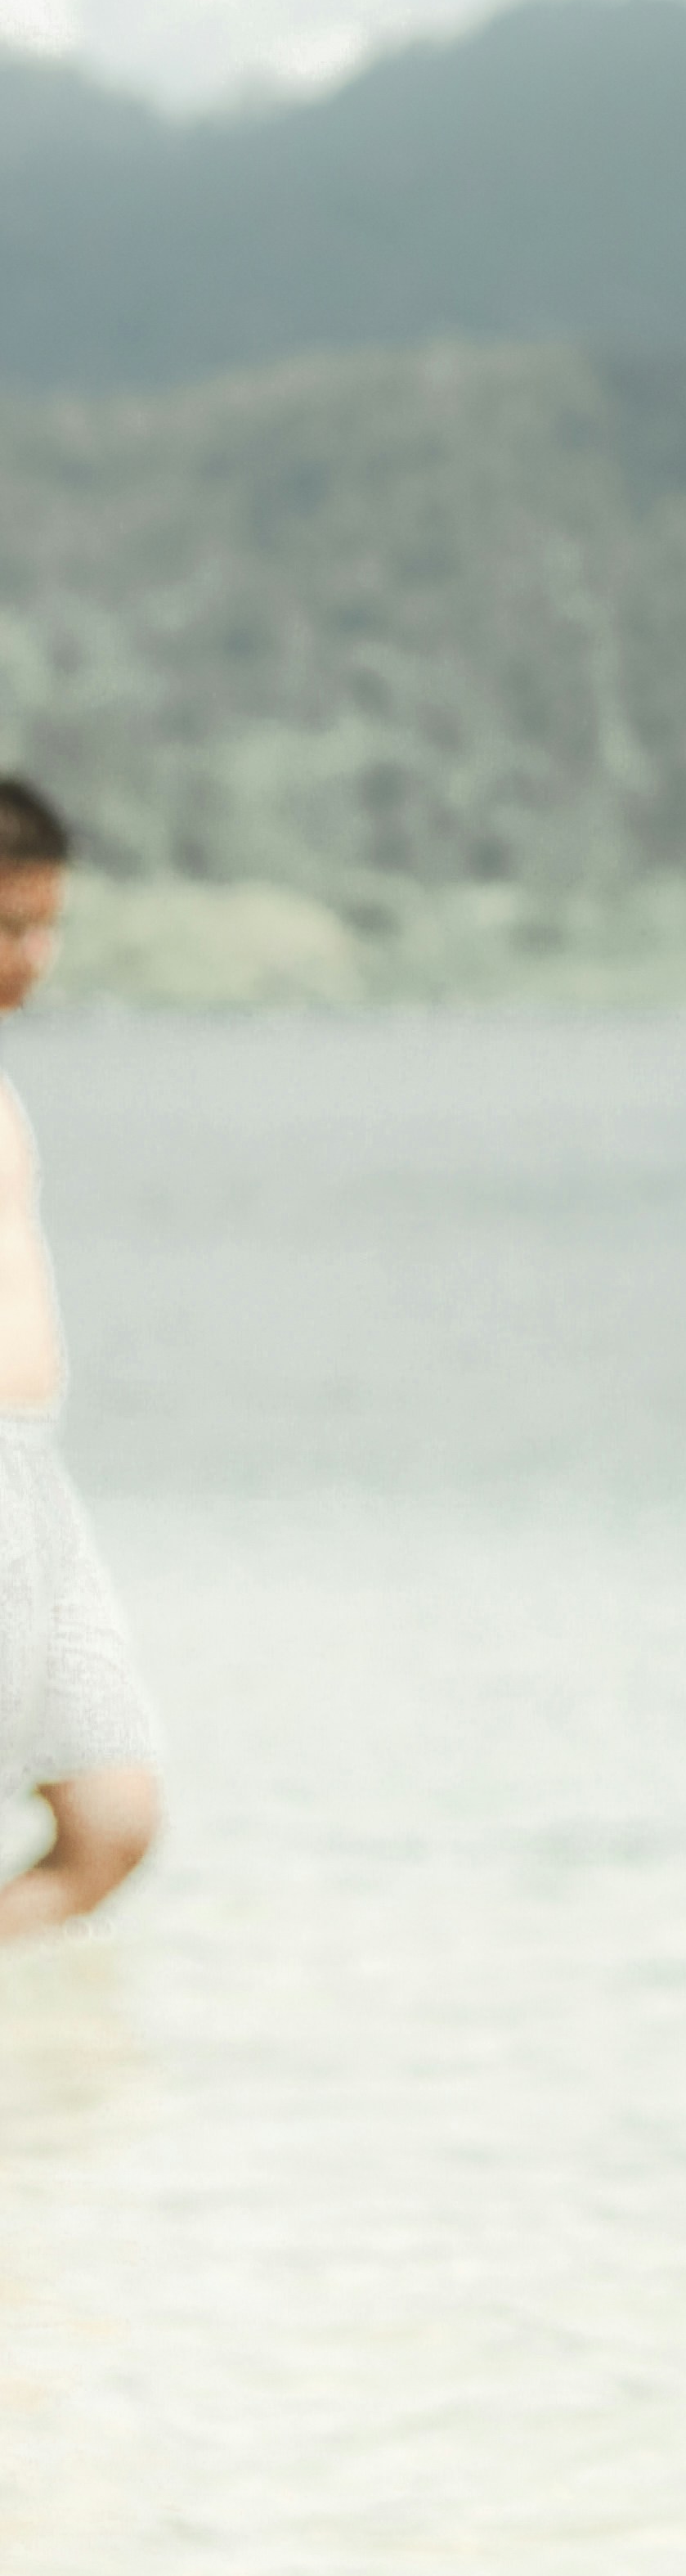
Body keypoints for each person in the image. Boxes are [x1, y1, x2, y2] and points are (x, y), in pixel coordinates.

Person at [0, 775, 163, 1944]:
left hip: (30, 1480)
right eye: (8, 924)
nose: (34, 955)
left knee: (112, 1821)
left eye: (46, 922)